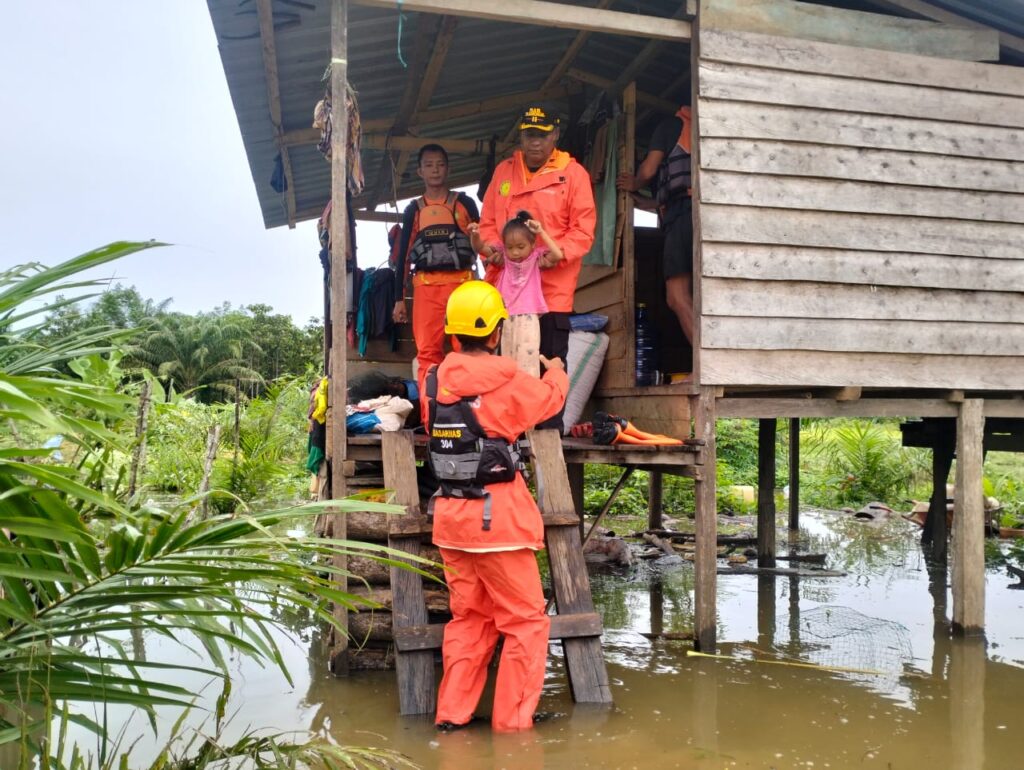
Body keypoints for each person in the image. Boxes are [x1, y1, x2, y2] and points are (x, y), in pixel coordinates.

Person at [422, 280, 568, 733]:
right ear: (496, 332)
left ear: (452, 334)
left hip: (451, 521)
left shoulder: (433, 384)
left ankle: (452, 715)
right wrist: (557, 371)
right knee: (526, 623)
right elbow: (548, 402)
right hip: (498, 522)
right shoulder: (508, 382)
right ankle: (512, 729)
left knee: (470, 619)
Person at [477, 105, 596, 428]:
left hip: (551, 294)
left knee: (549, 364)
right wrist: (491, 251)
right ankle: (505, 433)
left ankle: (547, 436)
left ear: (555, 135)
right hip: (506, 295)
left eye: (542, 136)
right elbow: (487, 223)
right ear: (521, 137)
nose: (535, 143)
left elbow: (583, 230)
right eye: (530, 135)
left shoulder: (574, 174)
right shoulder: (503, 172)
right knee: (503, 366)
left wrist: (560, 254)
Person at [392, 144, 480, 387]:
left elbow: (484, 244)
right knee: (428, 354)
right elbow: (404, 256)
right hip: (426, 288)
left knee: (467, 349)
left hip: (462, 287)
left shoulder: (465, 203)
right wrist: (399, 299)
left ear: (448, 169)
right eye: (429, 165)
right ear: (420, 171)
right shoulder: (414, 210)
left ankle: (466, 412)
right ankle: (430, 415)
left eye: (440, 164)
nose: (435, 170)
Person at [617, 105, 695, 350]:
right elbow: (679, 190)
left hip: (683, 216)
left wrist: (635, 182)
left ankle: (706, 366)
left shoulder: (668, 126)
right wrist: (646, 202)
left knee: (677, 296)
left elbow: (649, 170)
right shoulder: (701, 127)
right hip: (703, 213)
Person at [468, 211, 561, 377]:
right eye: (510, 248)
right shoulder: (504, 258)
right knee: (507, 362)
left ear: (533, 245)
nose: (515, 253)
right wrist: (474, 234)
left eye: (521, 247)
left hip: (528, 317)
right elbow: (480, 248)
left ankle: (527, 397)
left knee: (527, 363)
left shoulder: (536, 258)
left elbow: (558, 255)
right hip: (505, 317)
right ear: (504, 247)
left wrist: (540, 232)